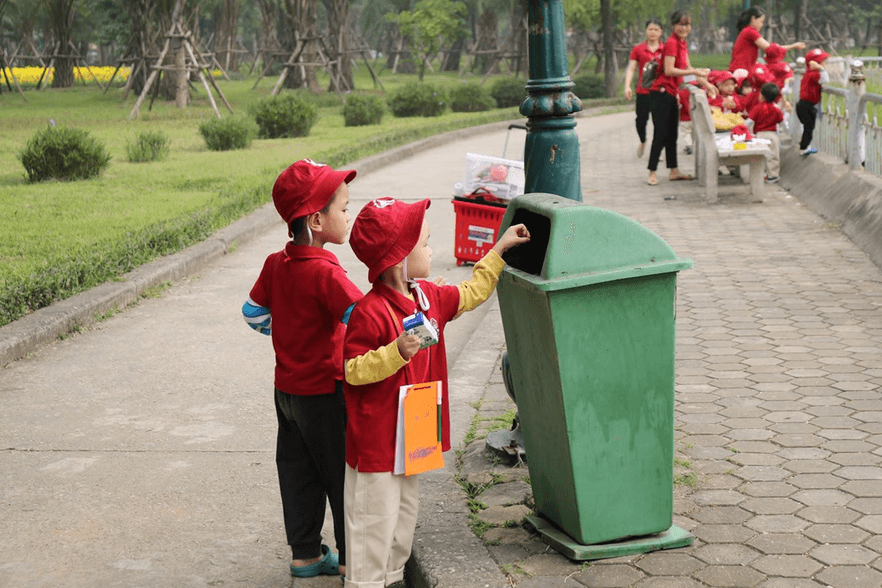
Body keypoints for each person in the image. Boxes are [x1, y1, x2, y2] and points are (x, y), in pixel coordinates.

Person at [342, 198, 530, 588]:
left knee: (402, 523)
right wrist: (396, 352)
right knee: (372, 528)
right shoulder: (369, 312)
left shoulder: (428, 297)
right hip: (377, 447)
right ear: (397, 259)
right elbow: (352, 371)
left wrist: (499, 249)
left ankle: (392, 580)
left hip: (413, 439)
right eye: (425, 244)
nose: (432, 250)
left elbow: (472, 292)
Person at [243, 158, 363, 579]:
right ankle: (353, 563)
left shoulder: (277, 264)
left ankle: (306, 555)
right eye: (344, 208)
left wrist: (288, 330)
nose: (349, 216)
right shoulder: (327, 272)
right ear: (316, 220)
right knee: (341, 477)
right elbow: (362, 319)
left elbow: (252, 311)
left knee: (297, 472)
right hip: (326, 395)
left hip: (287, 394)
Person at [646, 9, 717, 186]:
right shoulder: (671, 43)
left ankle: (674, 171)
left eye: (687, 24)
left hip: (671, 93)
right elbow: (669, 70)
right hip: (660, 93)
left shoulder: (683, 44)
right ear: (674, 25)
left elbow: (688, 68)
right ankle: (652, 173)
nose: (684, 28)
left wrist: (707, 84)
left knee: (672, 135)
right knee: (660, 134)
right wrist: (693, 71)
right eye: (681, 24)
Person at [623, 18, 664, 158]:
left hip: (660, 92)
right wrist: (627, 86)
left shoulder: (665, 50)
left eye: (656, 29)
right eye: (650, 29)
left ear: (661, 32)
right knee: (641, 121)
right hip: (643, 92)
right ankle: (642, 141)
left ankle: (656, 151)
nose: (653, 32)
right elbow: (631, 69)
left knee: (659, 123)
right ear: (646, 31)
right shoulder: (638, 49)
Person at [729, 6, 805, 72]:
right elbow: (772, 49)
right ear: (753, 19)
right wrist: (793, 46)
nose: (762, 25)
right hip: (742, 70)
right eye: (761, 22)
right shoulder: (750, 31)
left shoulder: (746, 30)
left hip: (739, 68)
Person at [747, 82, 785, 182]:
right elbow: (782, 123)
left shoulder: (757, 108)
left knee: (760, 155)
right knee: (773, 155)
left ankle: (760, 173)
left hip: (760, 135)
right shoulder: (776, 108)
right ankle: (773, 174)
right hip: (772, 135)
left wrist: (743, 129)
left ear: (762, 96)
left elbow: (749, 122)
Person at [796, 48, 830, 156]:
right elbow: (825, 81)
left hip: (803, 104)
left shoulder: (808, 73)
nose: (825, 63)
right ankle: (804, 148)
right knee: (809, 128)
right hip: (807, 105)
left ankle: (805, 145)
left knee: (807, 127)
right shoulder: (814, 74)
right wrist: (822, 69)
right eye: (822, 61)